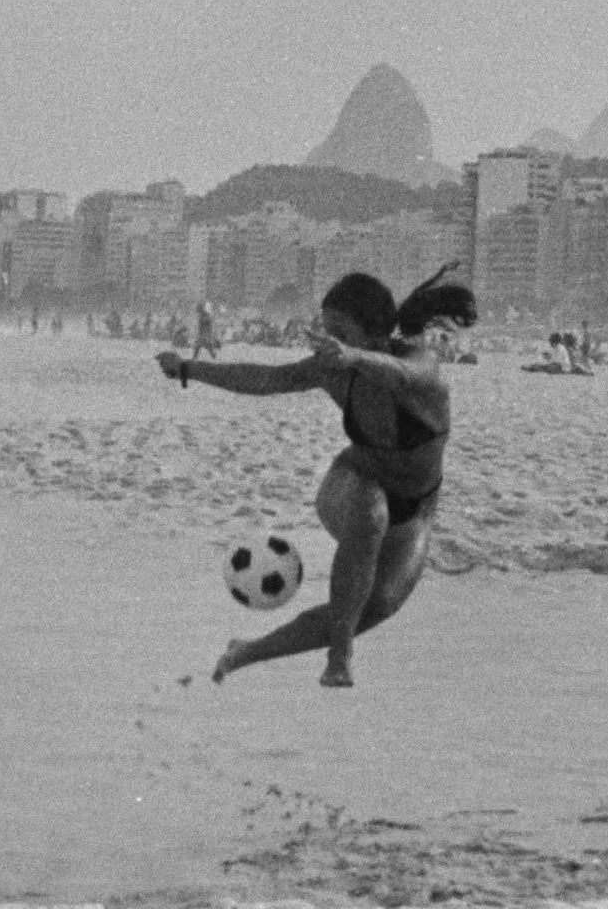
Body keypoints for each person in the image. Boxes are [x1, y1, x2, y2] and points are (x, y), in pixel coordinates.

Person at [160, 265, 477, 689]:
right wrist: (189, 369)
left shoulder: (420, 365)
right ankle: (340, 655)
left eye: (339, 331)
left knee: (376, 604)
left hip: (416, 511)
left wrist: (355, 357)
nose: (328, 341)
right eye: (325, 329)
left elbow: (408, 376)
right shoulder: (332, 369)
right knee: (371, 512)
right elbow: (265, 378)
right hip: (351, 484)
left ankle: (246, 651)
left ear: (372, 334)